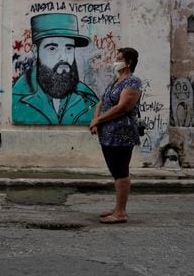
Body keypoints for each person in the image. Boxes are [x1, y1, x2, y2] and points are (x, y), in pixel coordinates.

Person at [12, 13, 98, 125]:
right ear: (36, 51)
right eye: (52, 48)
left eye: (68, 48)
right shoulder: (17, 97)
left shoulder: (88, 98)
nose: (63, 57)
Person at [89, 47, 142, 224]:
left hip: (122, 133)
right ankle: (118, 207)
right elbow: (102, 101)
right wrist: (96, 120)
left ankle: (121, 212)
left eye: (119, 58)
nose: (115, 61)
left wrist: (99, 120)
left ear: (128, 62)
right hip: (108, 134)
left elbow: (123, 107)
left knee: (121, 171)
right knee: (115, 171)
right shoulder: (115, 80)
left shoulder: (132, 82)